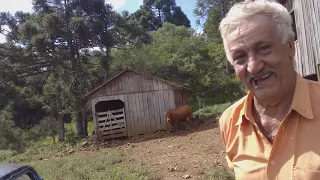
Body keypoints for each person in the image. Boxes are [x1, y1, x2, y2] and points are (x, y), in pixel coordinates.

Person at [218, 0, 320, 179]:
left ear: (290, 47)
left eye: (263, 48)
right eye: (240, 57)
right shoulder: (229, 121)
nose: (253, 67)